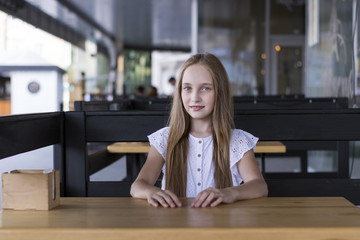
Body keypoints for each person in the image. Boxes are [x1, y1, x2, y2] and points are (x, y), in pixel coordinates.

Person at [130, 53, 268, 208]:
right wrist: (150, 192)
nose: (195, 97)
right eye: (187, 88)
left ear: (220, 92)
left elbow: (259, 186)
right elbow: (138, 186)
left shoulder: (237, 140)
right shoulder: (165, 138)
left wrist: (230, 193)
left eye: (205, 88)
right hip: (175, 226)